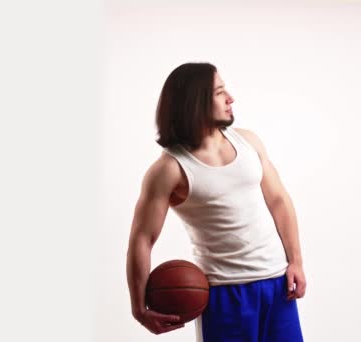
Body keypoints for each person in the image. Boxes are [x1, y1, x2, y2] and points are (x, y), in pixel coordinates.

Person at [126, 62, 306, 341]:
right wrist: (139, 308)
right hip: (224, 292)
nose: (230, 98)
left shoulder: (249, 142)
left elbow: (279, 201)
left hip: (278, 284)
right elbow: (142, 239)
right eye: (220, 92)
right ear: (195, 102)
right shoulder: (170, 169)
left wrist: (296, 262)